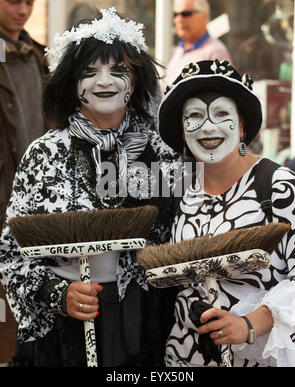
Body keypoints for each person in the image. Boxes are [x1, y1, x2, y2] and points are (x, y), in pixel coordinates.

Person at [0, 8, 180, 367]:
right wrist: (59, 294)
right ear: (70, 82)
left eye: (119, 70)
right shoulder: (45, 153)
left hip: (143, 325)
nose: (105, 81)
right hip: (65, 332)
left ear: (137, 79)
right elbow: (10, 253)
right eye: (89, 71)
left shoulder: (162, 152)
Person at [157, 59, 295, 367]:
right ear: (182, 132)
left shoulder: (277, 186)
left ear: (243, 124)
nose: (208, 126)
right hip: (184, 359)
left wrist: (248, 325)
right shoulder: (179, 191)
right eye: (194, 116)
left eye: (222, 114)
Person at [0, 0, 49, 365]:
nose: (23, 9)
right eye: (14, 1)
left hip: (39, 199)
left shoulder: (38, 55)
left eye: (29, 2)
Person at [162, 0, 233, 89]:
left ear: (204, 16)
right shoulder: (180, 49)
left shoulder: (215, 52)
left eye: (186, 14)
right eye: (175, 14)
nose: (178, 19)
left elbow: (224, 94)